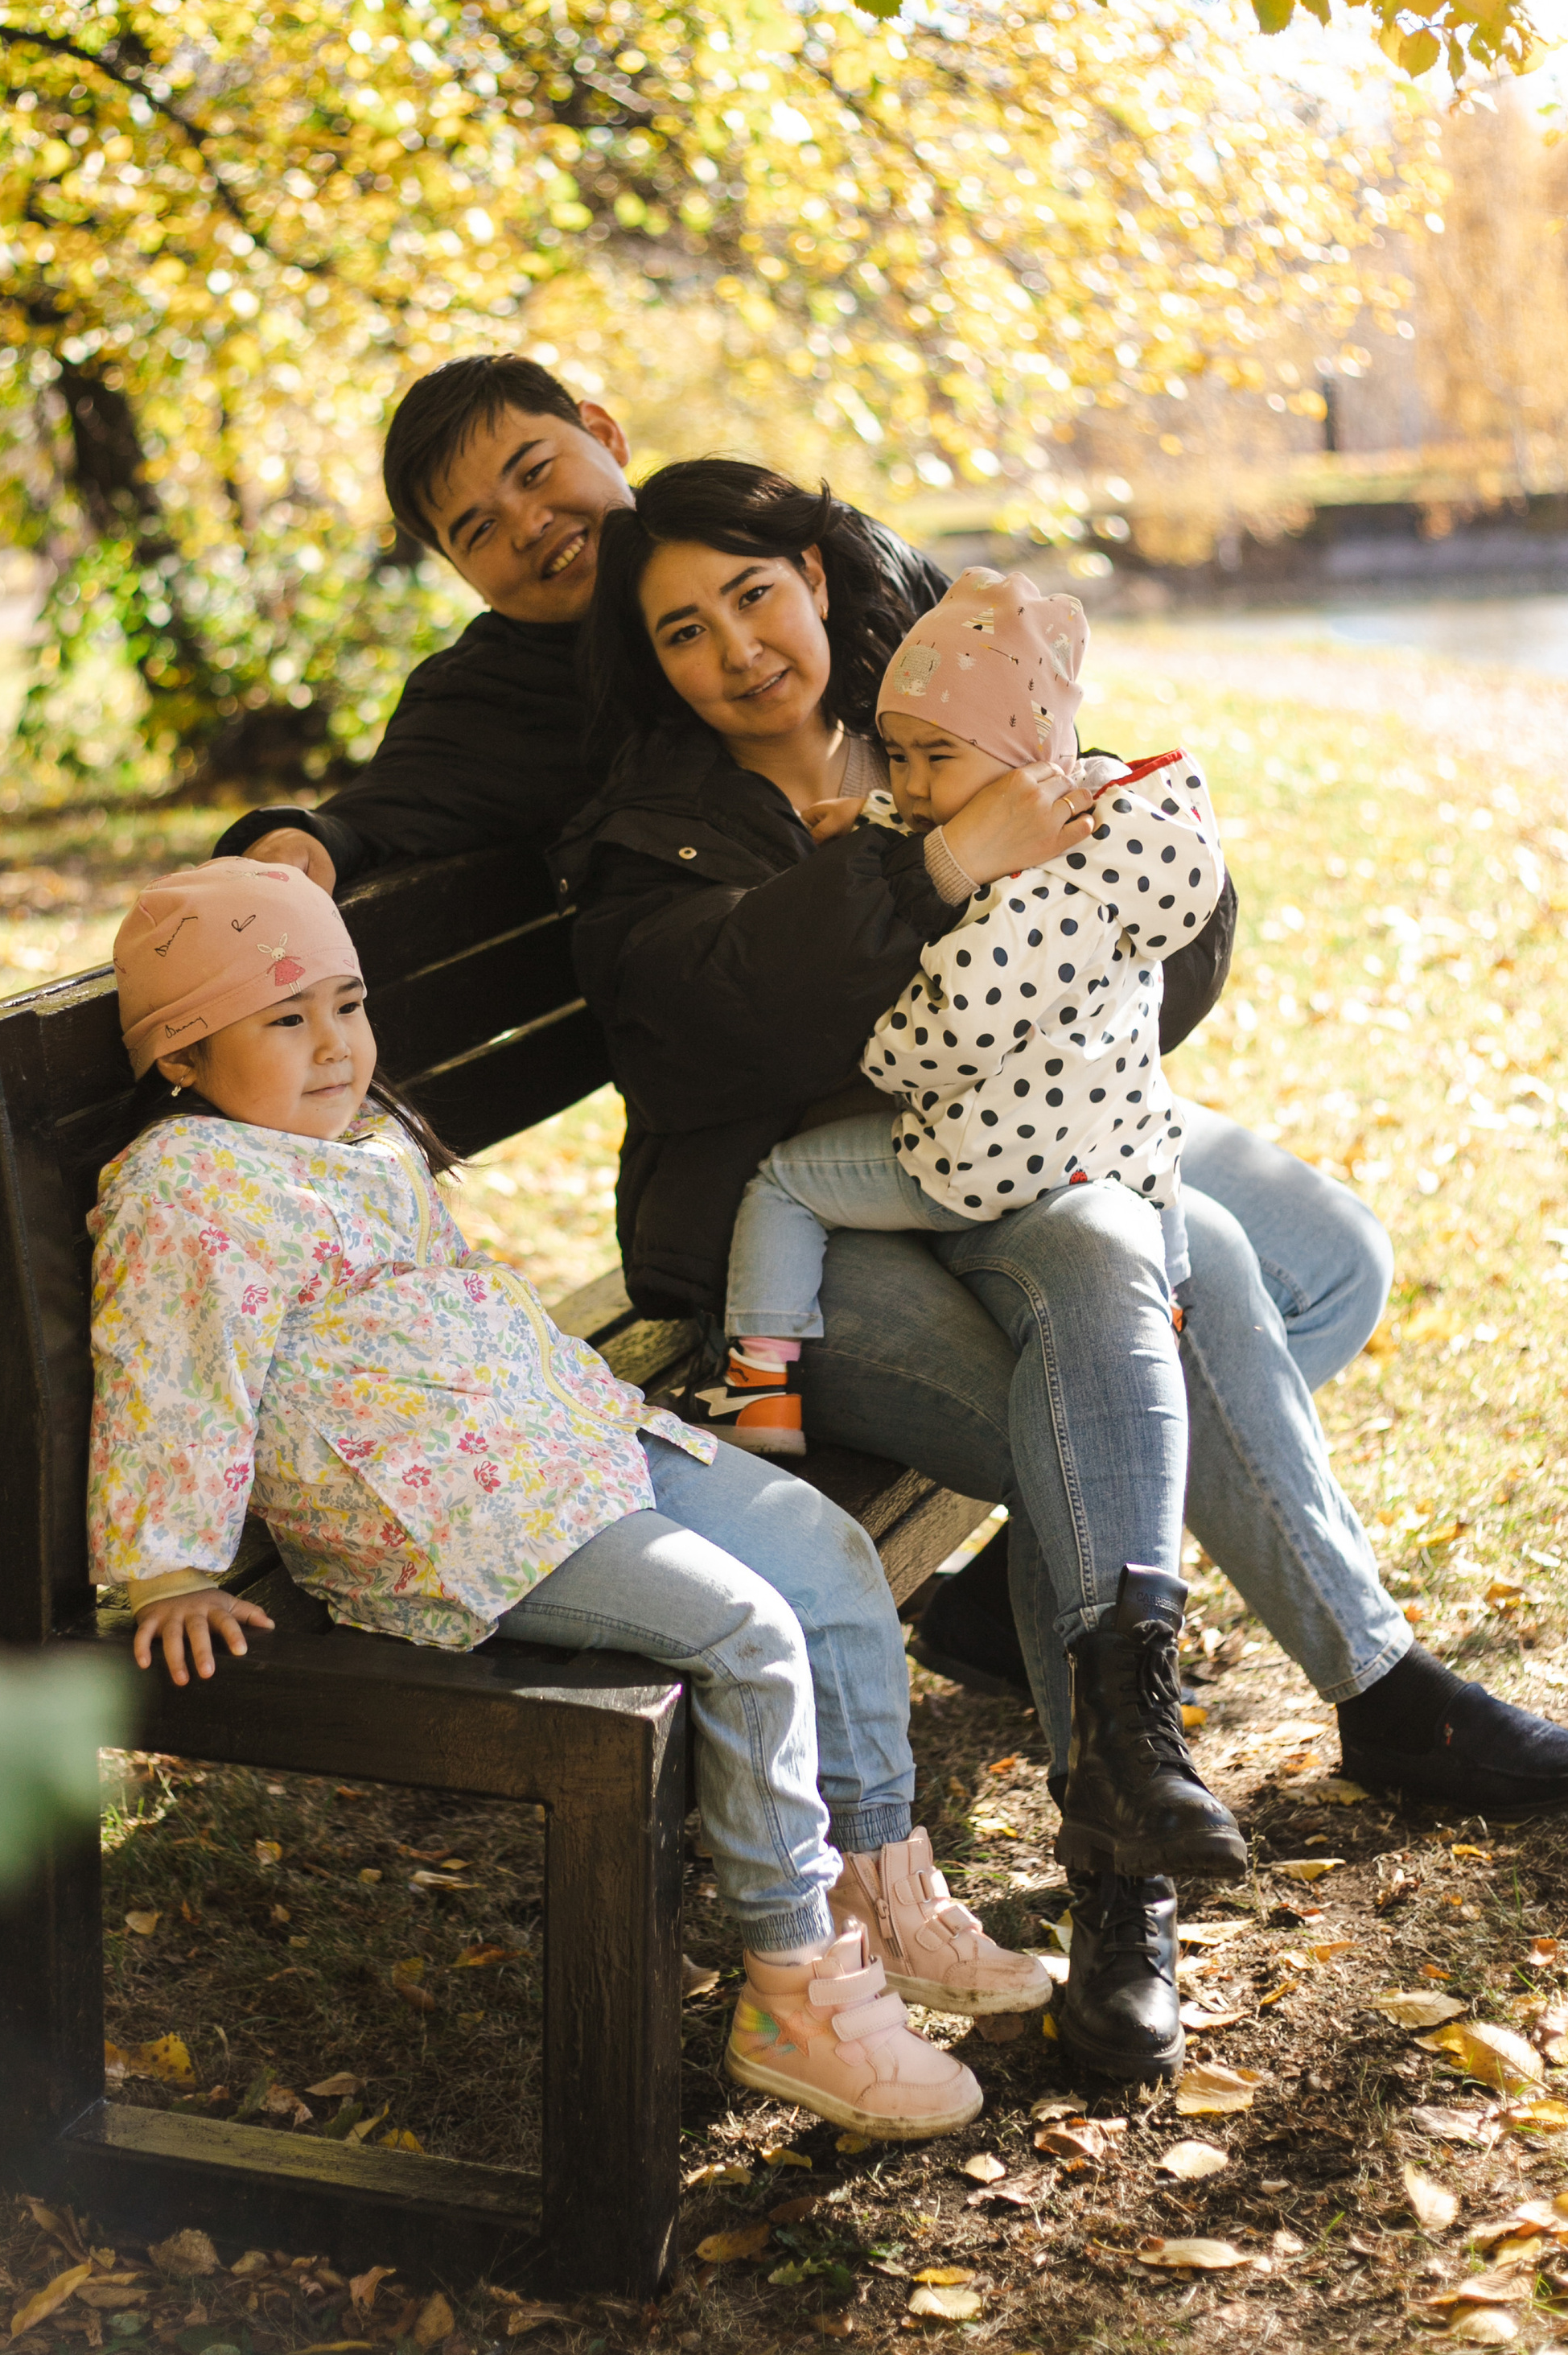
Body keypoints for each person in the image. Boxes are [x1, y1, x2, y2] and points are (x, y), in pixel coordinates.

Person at [556, 459, 1568, 2081]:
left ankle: (1158, 1743)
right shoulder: (646, 834)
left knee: (1175, 1261)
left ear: (818, 578)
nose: (733, 650)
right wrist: (926, 868)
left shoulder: (945, 704)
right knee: (1100, 1388)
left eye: (752, 595)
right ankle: (1206, 1823)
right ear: (652, 663)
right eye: (682, 630)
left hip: (1028, 1160)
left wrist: (1080, 864)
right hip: (813, 1219)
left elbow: (1160, 935)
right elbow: (707, 1028)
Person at [213, 351, 1245, 1707]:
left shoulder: (834, 567)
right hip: (779, 1160)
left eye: (535, 472)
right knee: (1136, 1371)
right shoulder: (502, 711)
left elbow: (1046, 783)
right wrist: (306, 840)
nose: (529, 525)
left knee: (1301, 1269)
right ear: (462, 575)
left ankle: (1019, 1608)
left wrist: (1096, 1023)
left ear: (602, 430)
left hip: (996, 1086)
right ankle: (1196, 1756)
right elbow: (392, 810)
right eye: (478, 530)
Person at [87, 854, 1052, 2142]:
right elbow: (172, 1372)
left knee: (826, 1554)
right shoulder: (188, 1190)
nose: (334, 1046)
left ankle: (872, 1883)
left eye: (348, 1003)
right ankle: (789, 1991)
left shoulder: (357, 1147)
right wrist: (172, 1569)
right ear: (182, 1057)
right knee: (748, 1633)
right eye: (283, 1017)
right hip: (443, 1519)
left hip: (554, 1444)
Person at [713, 564, 1220, 1467]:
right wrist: (871, 814)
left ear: (1027, 753)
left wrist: (875, 1049)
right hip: (1118, 1142)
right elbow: (948, 819)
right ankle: (1169, 1316)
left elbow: (954, 1035)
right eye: (896, 756)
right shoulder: (1107, 826)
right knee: (1162, 1162)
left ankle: (758, 1385)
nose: (908, 785)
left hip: (984, 1159)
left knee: (784, 1183)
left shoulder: (1029, 894)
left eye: (933, 758)